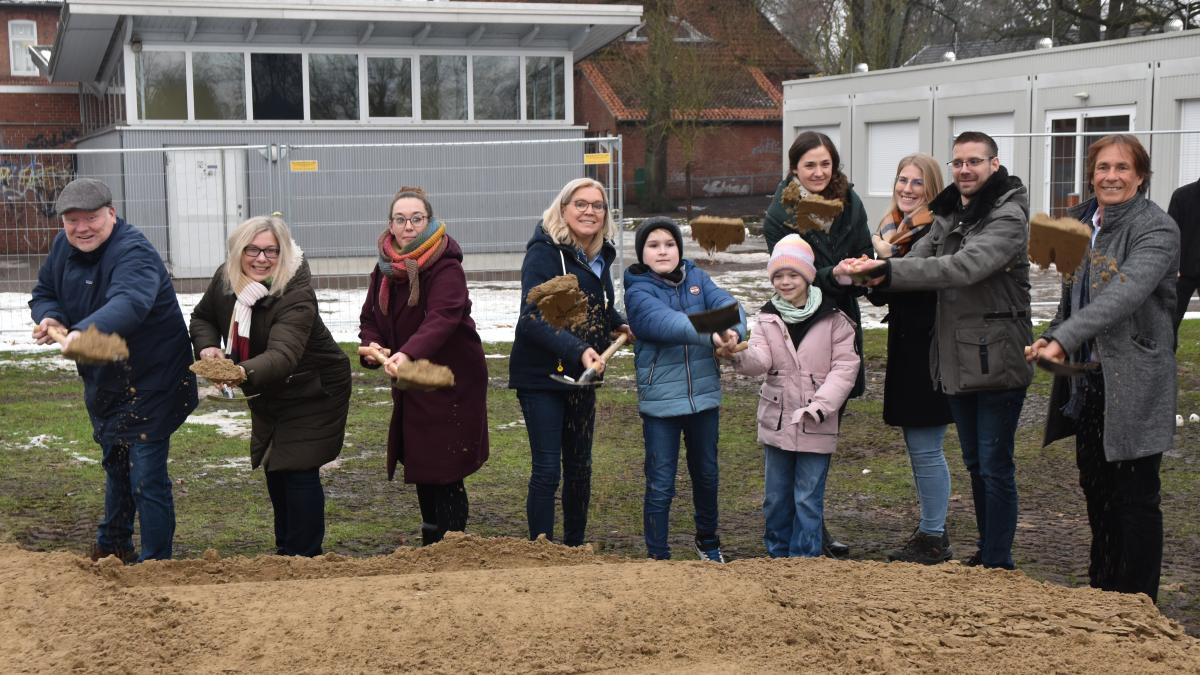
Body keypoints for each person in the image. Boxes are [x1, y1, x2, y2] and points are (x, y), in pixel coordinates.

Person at [837, 131, 1033, 570]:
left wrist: (887, 271)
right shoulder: (951, 211)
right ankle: (987, 552)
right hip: (957, 355)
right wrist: (873, 271)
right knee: (976, 462)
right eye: (958, 162)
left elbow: (962, 267)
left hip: (998, 355)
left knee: (995, 465)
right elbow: (917, 258)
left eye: (974, 161)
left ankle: (997, 562)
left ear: (994, 164)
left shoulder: (1007, 216)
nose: (965, 169)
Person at [1029, 134, 1178, 602]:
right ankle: (1103, 597)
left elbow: (1124, 294)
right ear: (1091, 174)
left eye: (1122, 168)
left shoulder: (1157, 228)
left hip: (1135, 382)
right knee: (1097, 492)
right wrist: (1052, 333)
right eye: (1103, 168)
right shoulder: (1081, 223)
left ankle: (1137, 605)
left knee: (1135, 498)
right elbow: (1073, 296)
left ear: (1141, 175)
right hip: (1090, 381)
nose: (1111, 176)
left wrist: (1064, 339)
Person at [30, 178, 198, 563]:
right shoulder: (63, 248)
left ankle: (156, 564)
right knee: (117, 465)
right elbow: (44, 293)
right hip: (107, 379)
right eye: (72, 220)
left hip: (154, 379)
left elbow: (130, 302)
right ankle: (114, 545)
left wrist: (84, 332)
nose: (82, 228)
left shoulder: (133, 252)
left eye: (91, 218)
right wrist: (51, 317)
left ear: (111, 213)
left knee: (146, 475)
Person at [190, 215, 350, 557]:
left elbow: (283, 355)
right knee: (276, 467)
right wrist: (208, 347)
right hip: (269, 386)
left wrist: (237, 372)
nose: (261, 259)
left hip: (313, 388)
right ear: (238, 251)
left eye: (271, 251)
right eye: (252, 249)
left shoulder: (295, 293)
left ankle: (305, 555)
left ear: (283, 253)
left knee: (298, 467)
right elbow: (202, 317)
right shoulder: (227, 279)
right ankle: (286, 551)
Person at [358, 186, 489, 546]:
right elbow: (370, 317)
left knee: (446, 468)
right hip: (413, 379)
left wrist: (408, 353)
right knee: (423, 464)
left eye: (416, 219)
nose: (409, 226)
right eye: (401, 219)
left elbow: (442, 318)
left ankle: (452, 544)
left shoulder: (445, 265)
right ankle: (432, 541)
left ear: (429, 221)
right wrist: (373, 344)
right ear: (390, 225)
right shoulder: (385, 269)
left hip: (450, 381)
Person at [763, 130, 870, 557]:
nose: (819, 172)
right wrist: (833, 275)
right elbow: (788, 275)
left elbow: (863, 247)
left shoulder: (850, 201)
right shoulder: (780, 214)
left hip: (841, 321)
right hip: (799, 325)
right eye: (810, 165)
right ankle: (797, 534)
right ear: (795, 168)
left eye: (826, 163)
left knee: (821, 431)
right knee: (792, 434)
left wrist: (863, 267)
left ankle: (812, 530)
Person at [508, 178, 631, 546]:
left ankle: (575, 548)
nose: (590, 211)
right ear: (563, 209)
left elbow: (593, 303)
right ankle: (542, 549)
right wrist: (577, 349)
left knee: (580, 468)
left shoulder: (599, 255)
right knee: (548, 469)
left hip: (581, 377)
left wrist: (616, 322)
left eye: (598, 205)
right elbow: (531, 317)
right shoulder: (544, 253)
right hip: (542, 377)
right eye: (580, 204)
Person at [725, 234, 859, 557]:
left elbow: (845, 369)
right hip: (778, 423)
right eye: (779, 276)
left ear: (808, 276)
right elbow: (760, 360)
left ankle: (804, 563)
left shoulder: (835, 320)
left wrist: (820, 406)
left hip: (816, 422)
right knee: (776, 498)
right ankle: (777, 555)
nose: (785, 282)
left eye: (793, 274)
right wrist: (736, 355)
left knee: (807, 499)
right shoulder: (767, 318)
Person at [623, 216, 745, 562]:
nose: (663, 251)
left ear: (679, 248)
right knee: (661, 482)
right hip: (661, 405)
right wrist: (713, 333)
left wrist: (734, 332)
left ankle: (708, 542)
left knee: (706, 476)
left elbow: (731, 307)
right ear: (642, 253)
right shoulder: (637, 291)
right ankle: (658, 556)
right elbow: (667, 324)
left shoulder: (697, 279)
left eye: (669, 244)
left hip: (704, 400)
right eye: (653, 245)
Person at [867, 153, 955, 565]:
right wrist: (873, 273)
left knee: (926, 447)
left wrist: (883, 266)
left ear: (931, 189)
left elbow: (920, 282)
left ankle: (933, 536)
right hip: (906, 347)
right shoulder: (892, 230)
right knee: (918, 445)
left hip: (930, 349)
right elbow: (885, 291)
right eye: (902, 180)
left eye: (917, 182)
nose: (907, 188)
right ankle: (932, 528)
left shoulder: (936, 230)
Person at [1168, 175, 1199, 338]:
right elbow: (1170, 234)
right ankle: (1166, 354)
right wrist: (1172, 266)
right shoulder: (1181, 196)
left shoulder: (1181, 194)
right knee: (1170, 322)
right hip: (1182, 272)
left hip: (1184, 268)